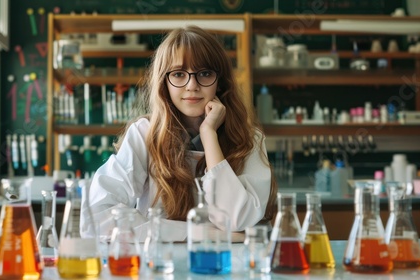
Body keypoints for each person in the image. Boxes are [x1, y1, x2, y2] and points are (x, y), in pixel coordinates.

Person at [82, 25, 277, 241]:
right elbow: (96, 218)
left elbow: (238, 219)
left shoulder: (250, 138)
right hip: (159, 267)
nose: (192, 85)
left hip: (227, 266)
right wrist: (199, 233)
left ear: (219, 82)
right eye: (178, 74)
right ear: (164, 82)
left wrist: (208, 134)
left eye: (204, 73)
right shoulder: (144, 134)